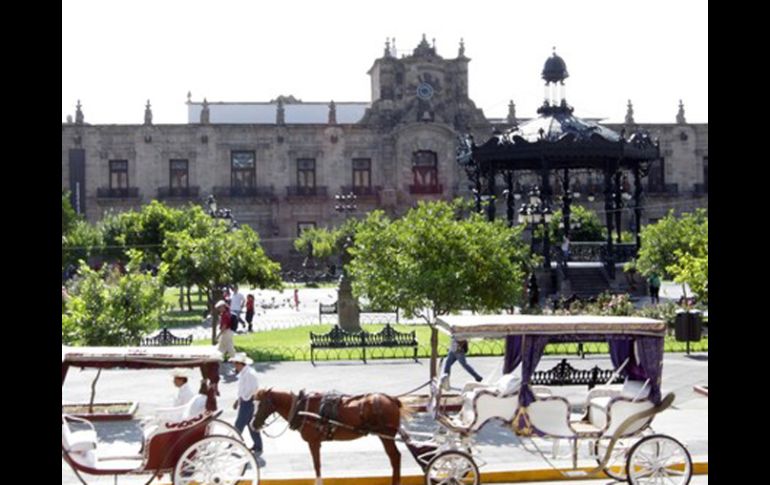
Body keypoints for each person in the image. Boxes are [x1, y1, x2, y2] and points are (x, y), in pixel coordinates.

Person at [231, 353, 263, 458]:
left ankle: (232, 444)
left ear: (241, 364)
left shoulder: (249, 374)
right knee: (251, 425)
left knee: (239, 425)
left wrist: (246, 400)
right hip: (245, 401)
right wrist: (238, 400)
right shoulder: (244, 373)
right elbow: (242, 390)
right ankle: (258, 446)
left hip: (248, 403)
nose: (234, 366)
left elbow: (253, 389)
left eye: (236, 364)